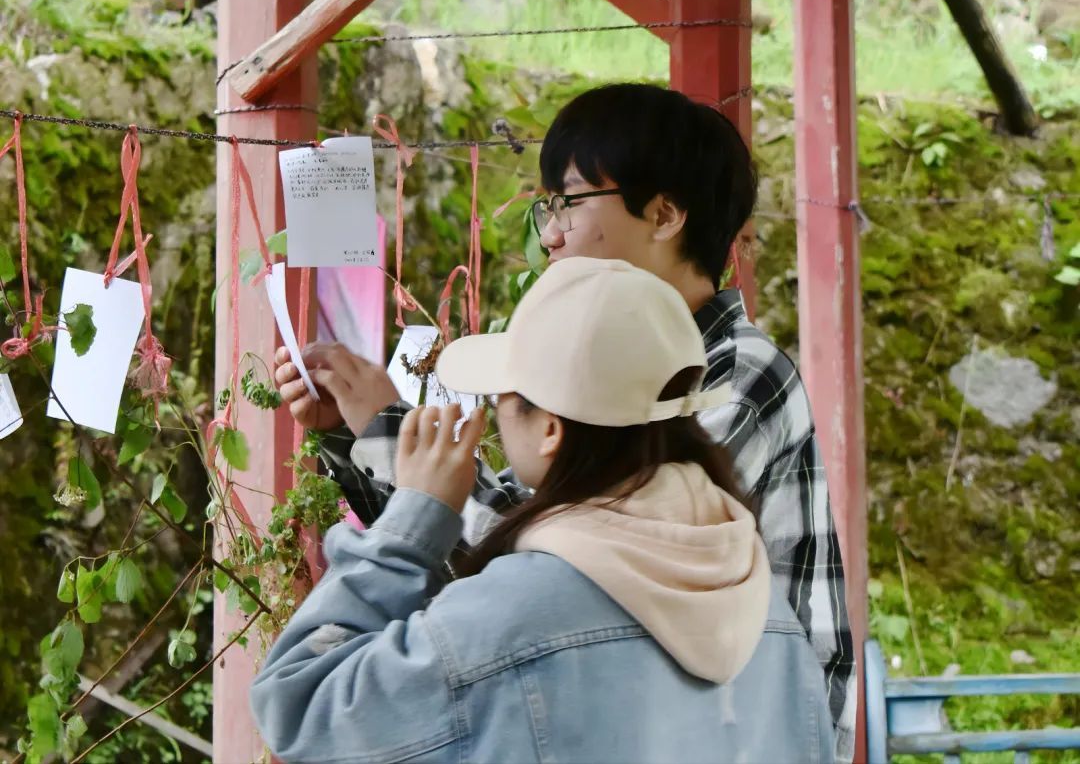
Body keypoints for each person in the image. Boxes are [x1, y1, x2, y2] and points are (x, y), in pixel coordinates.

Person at [275, 83, 856, 760]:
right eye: (547, 206)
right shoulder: (638, 364)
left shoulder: (732, 376)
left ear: (664, 214)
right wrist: (364, 435)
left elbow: (550, 563)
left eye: (570, 202)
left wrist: (395, 448)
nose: (549, 233)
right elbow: (548, 540)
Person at [252, 257, 835, 764]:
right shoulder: (771, 619)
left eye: (503, 396)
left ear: (551, 428)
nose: (494, 412)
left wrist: (412, 523)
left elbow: (301, 704)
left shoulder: (512, 611)